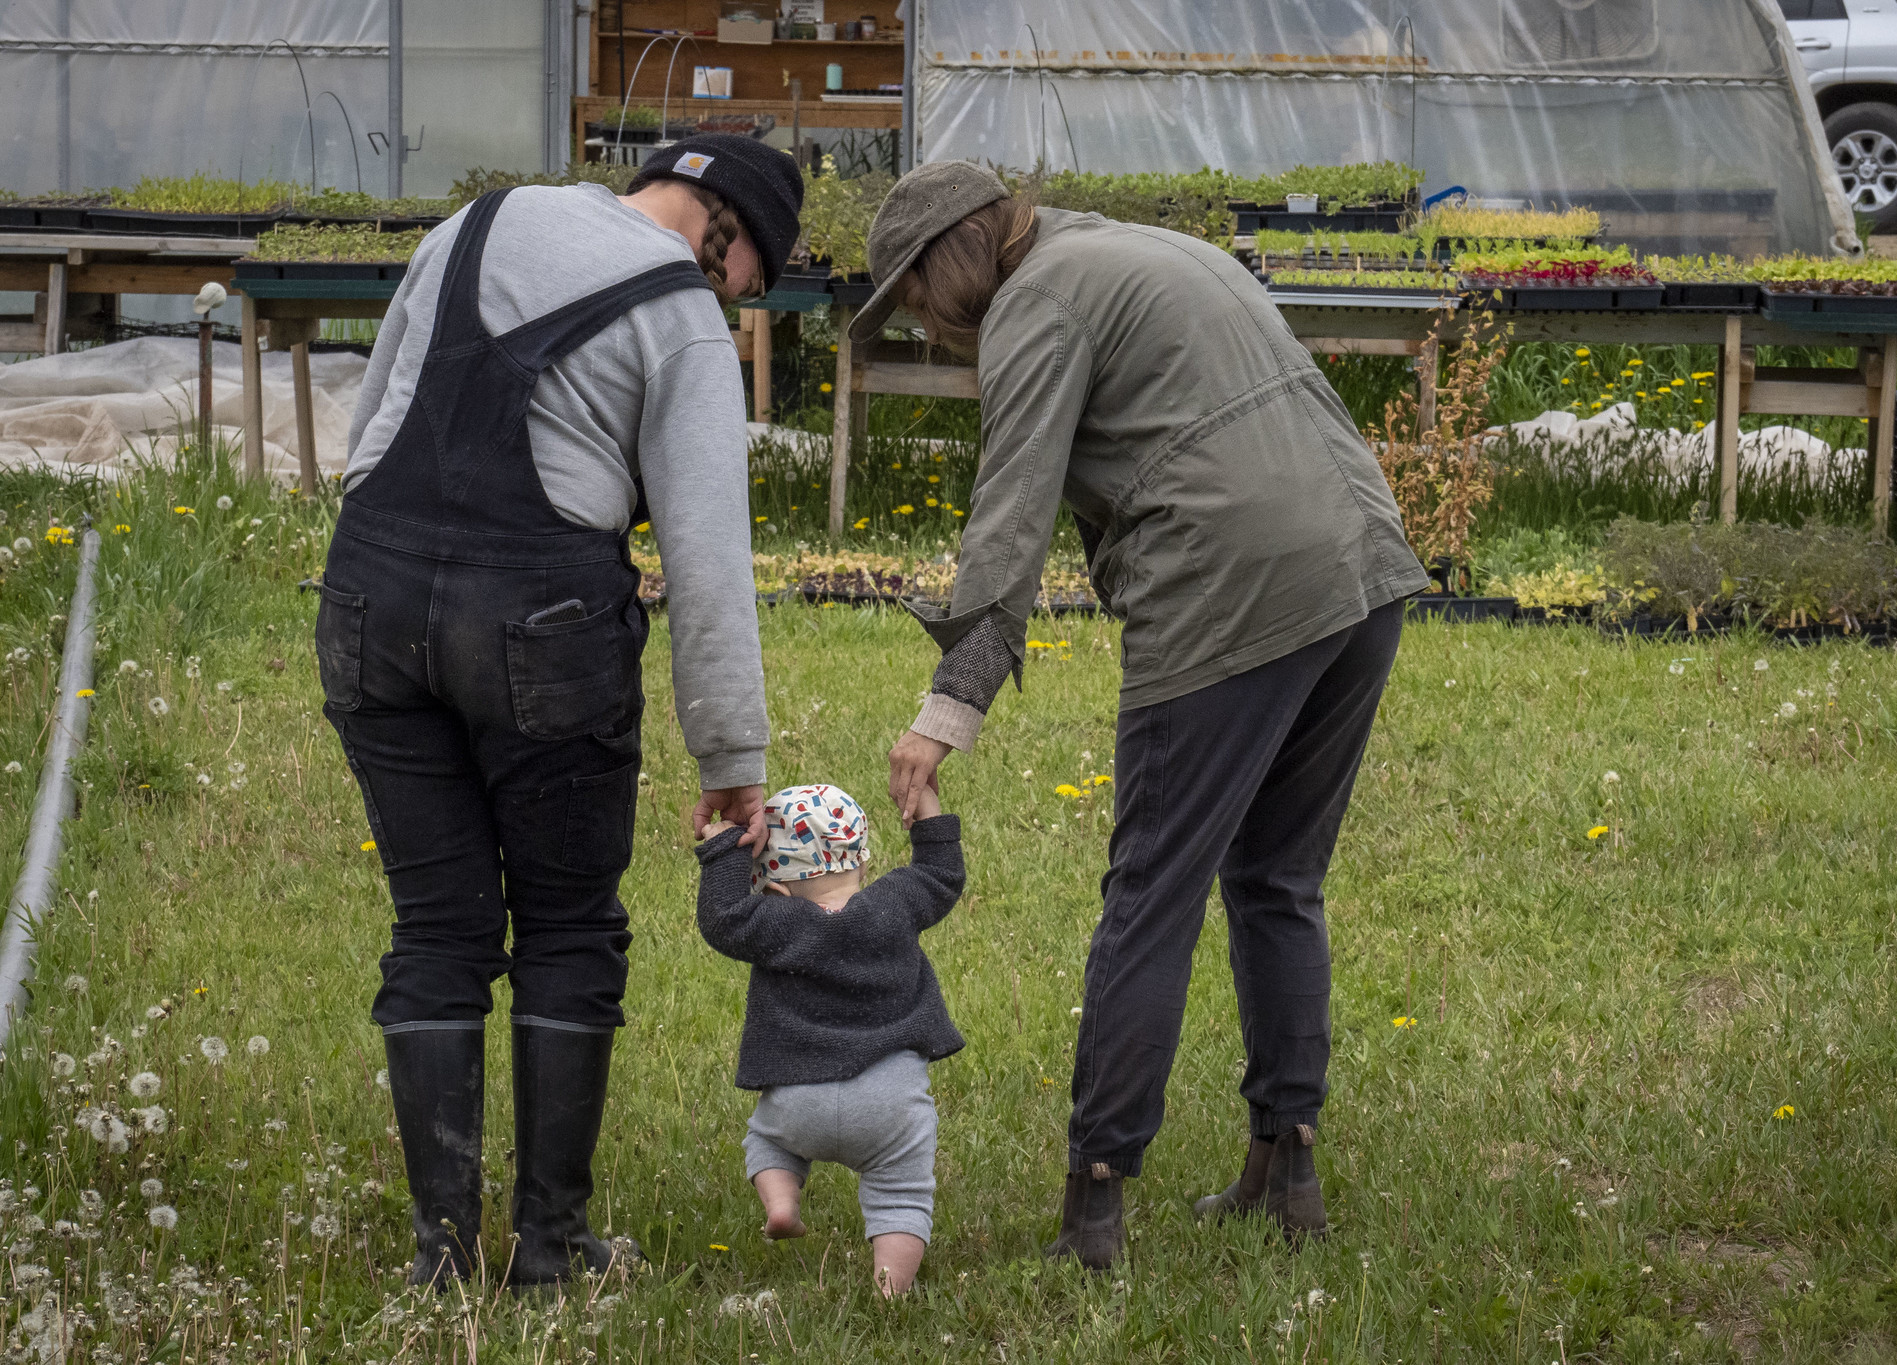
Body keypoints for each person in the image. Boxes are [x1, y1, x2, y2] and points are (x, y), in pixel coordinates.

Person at [854, 162, 1430, 1269]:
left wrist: (947, 709)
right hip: (1361, 564)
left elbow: (1007, 518)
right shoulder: (1147, 249)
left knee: (1149, 896)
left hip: (1234, 578)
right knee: (1276, 880)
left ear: (948, 262)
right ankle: (1287, 1167)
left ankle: (1094, 1208)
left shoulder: (1038, 302)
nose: (925, 329)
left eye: (914, 301)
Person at [316, 135, 800, 1287]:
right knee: (569, 929)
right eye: (749, 284)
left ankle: (441, 1256)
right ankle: (551, 1248)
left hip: (368, 599)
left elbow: (369, 429)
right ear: (720, 232)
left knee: (436, 929)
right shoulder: (680, 312)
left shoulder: (477, 221)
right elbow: (707, 556)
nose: (736, 305)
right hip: (539, 625)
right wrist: (732, 755)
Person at [695, 782, 965, 1297]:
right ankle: (890, 1293)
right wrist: (929, 816)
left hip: (797, 1104)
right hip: (889, 1104)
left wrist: (724, 846)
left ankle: (781, 1204)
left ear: (771, 887)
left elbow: (722, 918)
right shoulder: (895, 904)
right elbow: (941, 875)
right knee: (901, 1194)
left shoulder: (772, 923)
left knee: (768, 1140)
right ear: (863, 865)